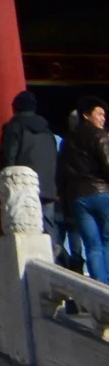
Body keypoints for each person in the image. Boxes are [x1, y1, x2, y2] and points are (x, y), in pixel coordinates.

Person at [0, 90, 62, 259]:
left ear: (15, 108)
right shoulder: (48, 131)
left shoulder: (14, 127)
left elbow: (8, 155)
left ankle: (30, 261)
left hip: (23, 186)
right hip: (48, 186)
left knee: (25, 226)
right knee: (48, 226)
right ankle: (52, 261)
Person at [59, 98, 109, 279]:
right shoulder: (100, 135)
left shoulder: (66, 142)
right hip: (102, 193)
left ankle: (99, 285)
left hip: (78, 198)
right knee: (107, 241)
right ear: (86, 115)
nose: (103, 118)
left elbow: (62, 174)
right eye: (99, 114)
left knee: (92, 246)